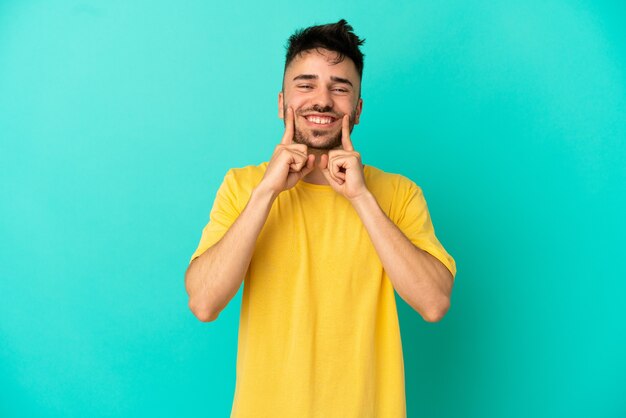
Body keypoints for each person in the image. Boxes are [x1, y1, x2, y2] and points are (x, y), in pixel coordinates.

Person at [185, 19, 456, 418]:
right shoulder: (243, 187)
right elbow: (204, 303)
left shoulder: (399, 194)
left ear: (357, 109)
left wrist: (361, 198)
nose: (323, 100)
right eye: (306, 84)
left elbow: (434, 303)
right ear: (282, 103)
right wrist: (266, 193)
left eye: (340, 88)